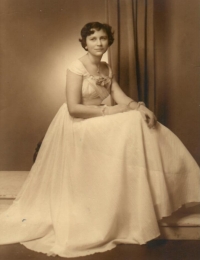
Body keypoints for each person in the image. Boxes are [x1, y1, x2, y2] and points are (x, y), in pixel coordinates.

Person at [0, 22, 199, 258]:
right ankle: (143, 218)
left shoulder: (105, 67)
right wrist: (112, 112)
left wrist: (138, 106)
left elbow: (118, 95)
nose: (98, 43)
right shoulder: (76, 67)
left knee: (139, 120)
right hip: (78, 125)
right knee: (131, 123)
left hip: (97, 122)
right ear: (84, 42)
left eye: (103, 38)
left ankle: (162, 192)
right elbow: (74, 109)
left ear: (109, 42)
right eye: (93, 39)